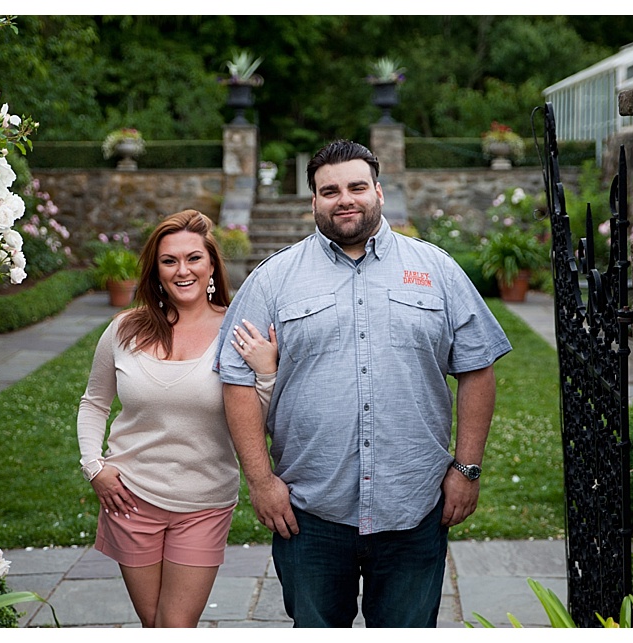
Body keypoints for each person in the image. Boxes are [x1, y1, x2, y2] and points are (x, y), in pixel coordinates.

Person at [216, 140, 512, 628]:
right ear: (313, 201)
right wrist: (261, 481)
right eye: (329, 190)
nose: (344, 199)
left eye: (356, 186)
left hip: (413, 508)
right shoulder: (273, 280)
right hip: (310, 513)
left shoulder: (436, 269)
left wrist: (468, 468)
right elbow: (236, 380)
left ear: (378, 190)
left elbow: (477, 367)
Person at [77, 209, 278, 628]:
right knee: (154, 624)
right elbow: (94, 402)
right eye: (170, 261)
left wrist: (267, 372)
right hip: (129, 497)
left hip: (203, 502)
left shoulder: (238, 332)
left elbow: (260, 419)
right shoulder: (124, 330)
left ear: (211, 266)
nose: (182, 270)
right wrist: (94, 467)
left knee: (176, 626)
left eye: (193, 258)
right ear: (156, 270)